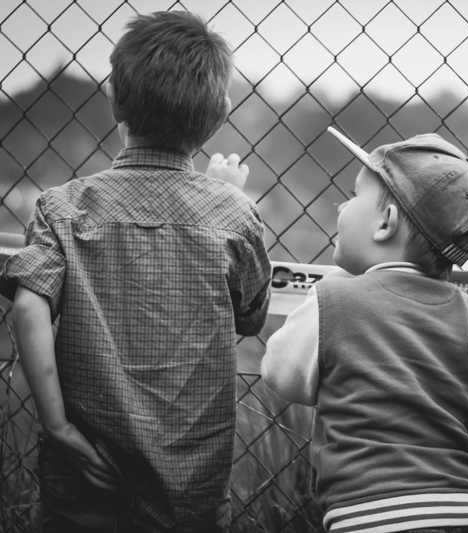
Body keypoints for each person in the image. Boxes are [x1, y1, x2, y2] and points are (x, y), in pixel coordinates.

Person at [4, 11, 271, 532]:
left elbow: (28, 301)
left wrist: (57, 425)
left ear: (115, 100)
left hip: (86, 463)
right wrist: (227, 199)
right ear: (220, 115)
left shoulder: (63, 207)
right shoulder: (233, 216)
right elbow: (252, 315)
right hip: (188, 480)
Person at [260, 126, 468, 533]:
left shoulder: (333, 301)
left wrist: (333, 285)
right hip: (467, 512)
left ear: (385, 222)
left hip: (369, 514)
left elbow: (280, 375)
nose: (343, 205)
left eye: (355, 196)